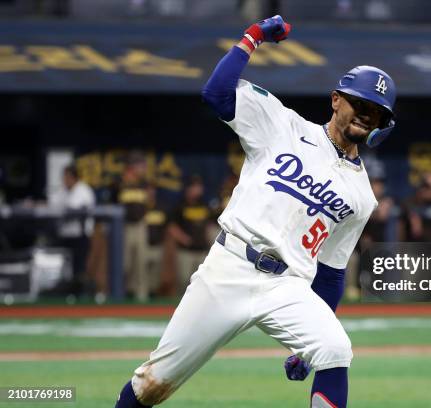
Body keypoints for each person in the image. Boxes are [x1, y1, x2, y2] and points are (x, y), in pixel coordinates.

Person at [114, 15, 396, 408]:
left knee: (334, 348)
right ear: (336, 99)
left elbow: (330, 273)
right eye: (360, 103)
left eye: (377, 111)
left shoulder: (362, 195)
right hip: (228, 267)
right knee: (153, 384)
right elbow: (216, 94)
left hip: (287, 285)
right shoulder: (282, 125)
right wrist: (254, 36)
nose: (367, 114)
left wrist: (303, 350)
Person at [49, 164, 96, 296]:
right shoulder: (62, 191)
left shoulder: (83, 190)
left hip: (80, 236)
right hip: (65, 235)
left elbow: (74, 210)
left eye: (67, 176)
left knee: (79, 269)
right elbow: (51, 204)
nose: (64, 179)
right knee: (62, 268)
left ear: (73, 177)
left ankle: (81, 296)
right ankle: (64, 293)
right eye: (64, 176)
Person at [168, 175, 214, 293]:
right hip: (186, 251)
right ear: (188, 189)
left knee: (202, 282)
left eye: (199, 186)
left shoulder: (204, 205)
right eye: (195, 187)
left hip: (201, 250)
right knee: (184, 281)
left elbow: (209, 224)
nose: (198, 189)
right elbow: (172, 227)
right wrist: (183, 238)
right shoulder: (181, 205)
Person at [117, 151, 150, 302]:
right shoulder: (119, 184)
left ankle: (141, 294)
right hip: (124, 226)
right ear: (131, 167)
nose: (143, 168)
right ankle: (121, 292)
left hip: (140, 225)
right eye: (140, 165)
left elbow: (148, 204)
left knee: (141, 261)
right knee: (125, 262)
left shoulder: (144, 184)